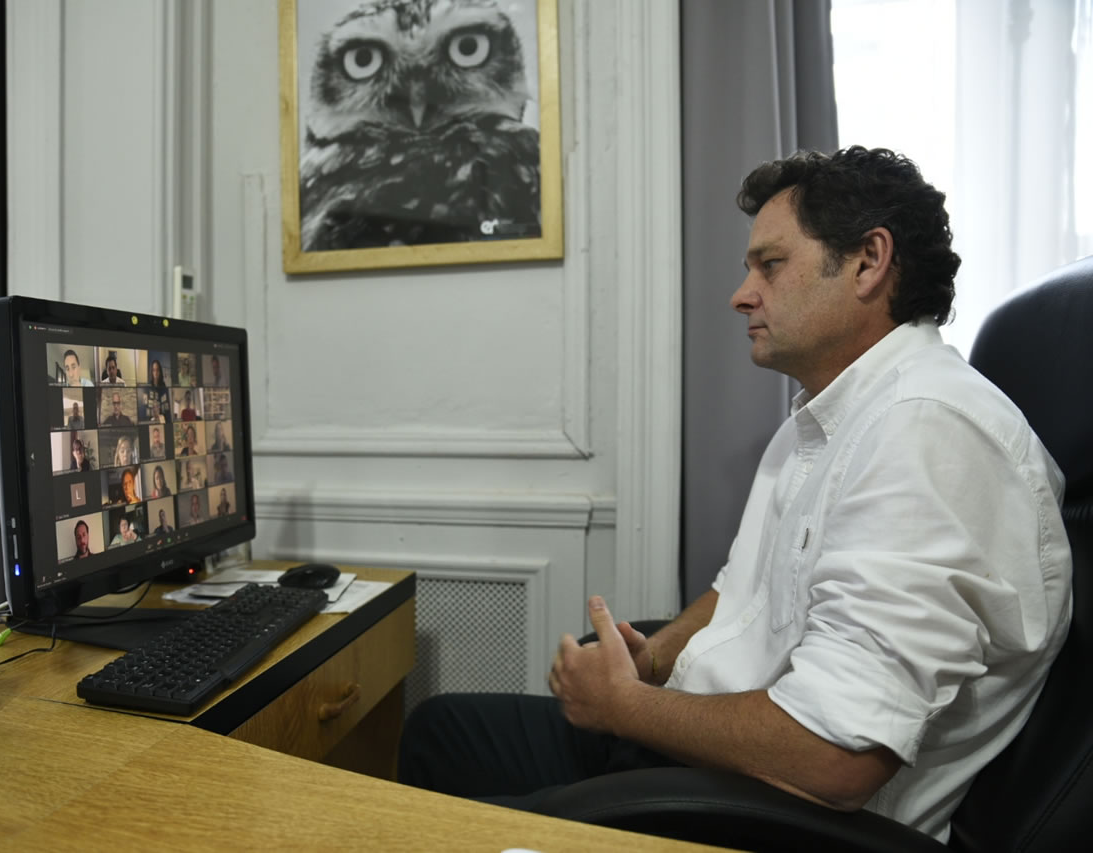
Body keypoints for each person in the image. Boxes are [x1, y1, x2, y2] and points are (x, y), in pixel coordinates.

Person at [396, 147, 1074, 844]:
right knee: (441, 730)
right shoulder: (824, 418)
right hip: (707, 748)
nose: (741, 294)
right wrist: (651, 660)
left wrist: (625, 706)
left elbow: (835, 758)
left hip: (782, 816)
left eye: (770, 264)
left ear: (869, 261)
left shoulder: (929, 432)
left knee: (453, 832)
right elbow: (740, 594)